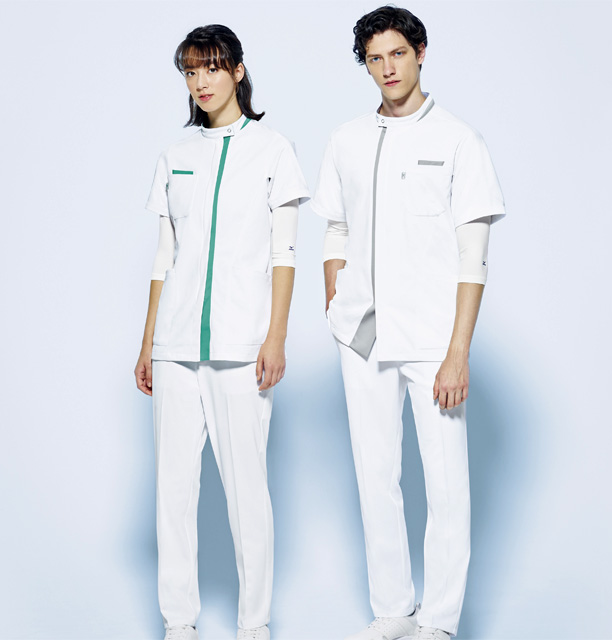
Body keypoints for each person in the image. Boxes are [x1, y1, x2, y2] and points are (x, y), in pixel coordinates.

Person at [311, 7, 506, 640]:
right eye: (375, 58)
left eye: (397, 53)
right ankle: (394, 610)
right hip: (362, 334)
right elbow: (336, 228)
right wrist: (335, 299)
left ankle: (439, 622)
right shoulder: (346, 139)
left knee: (446, 486)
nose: (387, 68)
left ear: (420, 52)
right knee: (375, 477)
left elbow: (474, 257)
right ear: (365, 65)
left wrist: (458, 352)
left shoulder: (459, 140)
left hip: (432, 338)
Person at [134, 24, 309, 640]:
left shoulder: (274, 151)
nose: (200, 81)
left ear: (237, 70)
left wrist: (276, 337)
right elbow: (164, 259)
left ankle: (253, 625)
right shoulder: (175, 156)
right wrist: (148, 343)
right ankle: (178, 623)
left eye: (211, 67)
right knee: (173, 492)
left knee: (247, 492)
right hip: (175, 347)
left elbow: (284, 255)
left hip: (242, 346)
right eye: (190, 70)